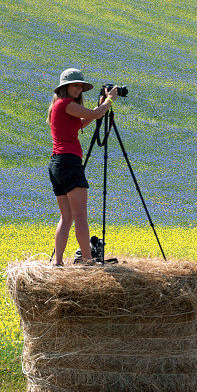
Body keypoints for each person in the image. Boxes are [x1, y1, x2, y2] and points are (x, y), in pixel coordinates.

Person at [47, 68, 119, 266]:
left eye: (80, 86)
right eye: (75, 85)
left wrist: (100, 108)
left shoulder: (58, 106)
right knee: (80, 215)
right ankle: (88, 260)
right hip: (69, 162)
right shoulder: (66, 103)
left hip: (57, 163)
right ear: (66, 87)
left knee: (67, 216)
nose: (79, 89)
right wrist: (109, 100)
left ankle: (58, 262)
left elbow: (81, 123)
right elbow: (96, 114)